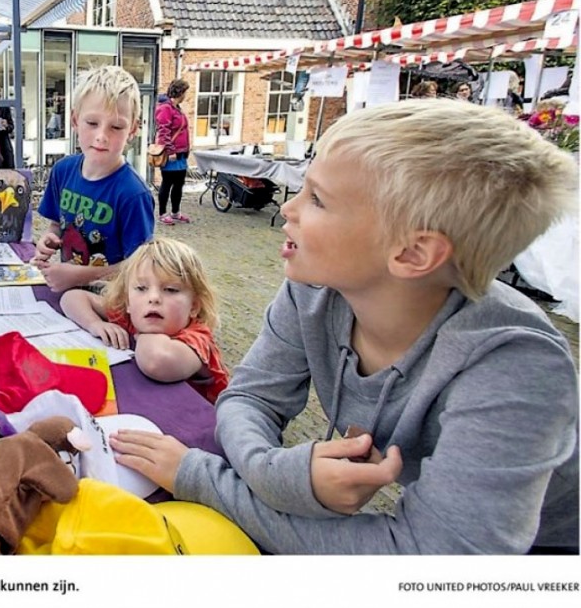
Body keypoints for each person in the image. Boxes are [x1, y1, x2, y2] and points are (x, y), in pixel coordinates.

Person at [111, 99, 579, 554]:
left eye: (317, 198)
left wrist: (199, 478)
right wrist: (283, 476)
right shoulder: (316, 289)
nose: (289, 209)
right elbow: (251, 399)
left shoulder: (516, 369)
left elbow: (431, 556)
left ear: (412, 254)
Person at [32, 66, 156, 292]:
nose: (101, 136)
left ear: (133, 129)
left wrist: (82, 276)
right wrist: (49, 240)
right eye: (92, 123)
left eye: (116, 127)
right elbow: (55, 225)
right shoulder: (62, 171)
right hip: (67, 291)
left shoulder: (133, 194)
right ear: (75, 119)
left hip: (110, 301)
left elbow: (140, 267)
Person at [61, 237, 229, 403]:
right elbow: (72, 297)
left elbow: (155, 362)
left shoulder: (198, 338)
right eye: (141, 288)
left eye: (170, 289)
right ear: (127, 301)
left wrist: (144, 333)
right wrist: (95, 324)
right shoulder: (133, 313)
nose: (153, 298)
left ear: (193, 307)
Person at [155, 79, 193, 225]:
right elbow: (163, 130)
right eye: (185, 92)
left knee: (179, 184)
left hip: (181, 153)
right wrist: (169, 151)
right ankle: (162, 213)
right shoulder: (166, 108)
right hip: (171, 154)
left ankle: (176, 212)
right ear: (180, 92)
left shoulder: (177, 108)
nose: (186, 95)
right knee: (167, 183)